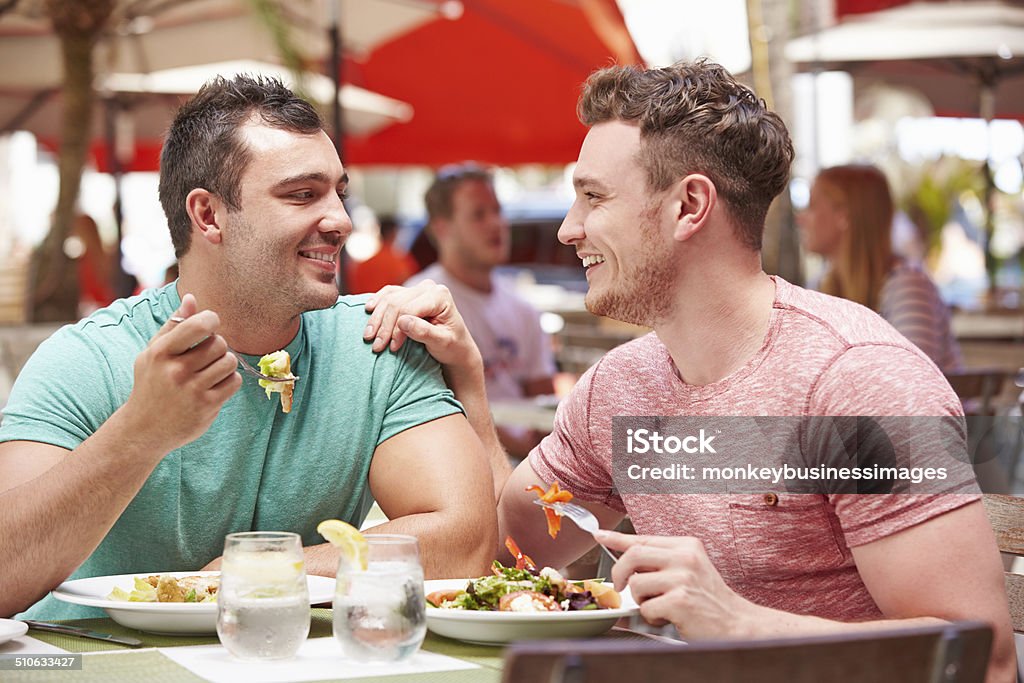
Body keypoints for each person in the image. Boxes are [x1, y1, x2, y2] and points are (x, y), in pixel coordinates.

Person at [364, 60, 1014, 681]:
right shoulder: (623, 392)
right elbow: (512, 547)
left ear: (689, 206)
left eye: (592, 197)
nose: (568, 228)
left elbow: (980, 660)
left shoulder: (856, 382)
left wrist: (736, 621)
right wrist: (469, 379)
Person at [0, 75, 497, 620]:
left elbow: (465, 543)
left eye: (339, 193)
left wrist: (255, 570)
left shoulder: (379, 342)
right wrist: (141, 433)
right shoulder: (88, 360)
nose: (340, 220)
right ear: (208, 215)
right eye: (303, 195)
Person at [405, 164, 557, 458]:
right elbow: (436, 408)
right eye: (479, 214)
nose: (496, 224)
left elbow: (543, 399)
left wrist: (540, 458)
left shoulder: (522, 307)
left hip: (527, 463)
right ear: (441, 228)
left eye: (497, 211)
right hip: (458, 462)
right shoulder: (420, 302)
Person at [799, 164, 963, 372]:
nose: (801, 219)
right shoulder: (820, 286)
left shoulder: (908, 285)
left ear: (843, 215)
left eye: (812, 206)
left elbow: (912, 378)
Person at [347, 216, 419, 294]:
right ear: (394, 233)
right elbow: (412, 284)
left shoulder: (363, 266)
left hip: (365, 304)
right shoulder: (401, 262)